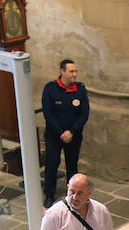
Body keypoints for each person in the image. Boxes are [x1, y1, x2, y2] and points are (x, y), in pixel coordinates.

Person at [40, 59, 88, 208]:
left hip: (74, 135)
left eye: (75, 71)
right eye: (71, 71)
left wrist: (71, 131)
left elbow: (84, 114)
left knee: (72, 164)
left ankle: (73, 194)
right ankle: (49, 194)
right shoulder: (50, 89)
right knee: (52, 163)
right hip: (55, 134)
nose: (75, 74)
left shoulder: (80, 90)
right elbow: (48, 113)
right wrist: (61, 132)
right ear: (62, 71)